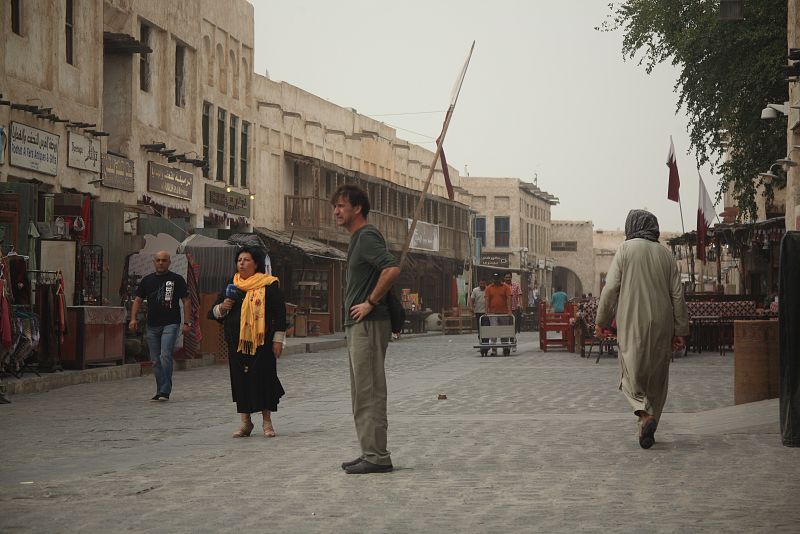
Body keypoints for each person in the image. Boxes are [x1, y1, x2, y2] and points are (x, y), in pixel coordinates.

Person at [595, 209, 688, 449]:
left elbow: (611, 288)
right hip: (662, 322)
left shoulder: (626, 250)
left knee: (630, 371)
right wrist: (680, 331)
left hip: (632, 320)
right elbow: (678, 295)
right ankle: (648, 426)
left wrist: (601, 321)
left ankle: (644, 415)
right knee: (657, 376)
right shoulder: (666, 255)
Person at [332, 184, 400, 475]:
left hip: (369, 324)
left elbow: (392, 268)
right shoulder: (357, 238)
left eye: (341, 206)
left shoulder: (367, 235)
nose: (336, 211)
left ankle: (377, 456)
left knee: (370, 390)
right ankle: (368, 451)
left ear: (357, 208)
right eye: (334, 206)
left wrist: (370, 302)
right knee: (361, 392)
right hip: (357, 326)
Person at [208, 246, 287, 438]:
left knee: (264, 379)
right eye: (239, 260)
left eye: (246, 260)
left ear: (256, 263)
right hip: (236, 342)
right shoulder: (231, 284)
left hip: (263, 342)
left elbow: (280, 313)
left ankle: (267, 422)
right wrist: (223, 307)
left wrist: (278, 340)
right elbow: (213, 313)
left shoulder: (268, 284)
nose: (241, 263)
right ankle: (245, 423)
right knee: (240, 380)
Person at [129, 251, 190, 401]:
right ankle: (160, 389)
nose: (161, 263)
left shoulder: (177, 279)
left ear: (169, 262)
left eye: (164, 260)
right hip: (152, 325)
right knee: (155, 360)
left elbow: (186, 301)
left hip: (171, 323)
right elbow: (137, 300)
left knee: (165, 355)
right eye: (158, 260)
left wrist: (187, 322)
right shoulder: (147, 281)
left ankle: (165, 390)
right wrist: (133, 319)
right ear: (154, 262)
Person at [483, 272, 512, 354]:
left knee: (504, 331)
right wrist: (486, 312)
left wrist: (509, 311)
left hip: (504, 313)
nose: (496, 280)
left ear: (500, 278)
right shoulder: (489, 288)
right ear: (493, 279)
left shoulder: (505, 287)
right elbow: (487, 300)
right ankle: (494, 349)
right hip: (492, 313)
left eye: (497, 278)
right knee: (494, 331)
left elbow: (508, 299)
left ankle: (505, 347)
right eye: (495, 278)